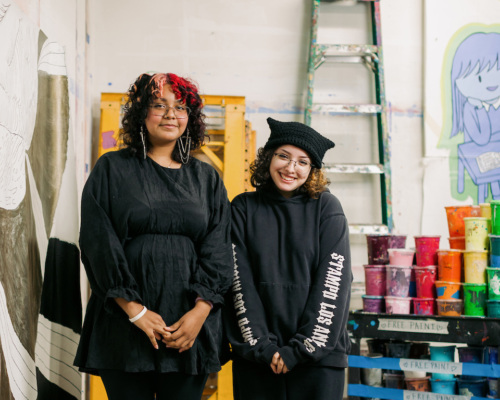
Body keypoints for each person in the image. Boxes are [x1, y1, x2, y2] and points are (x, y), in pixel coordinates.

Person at [74, 72, 233, 400]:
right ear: (140, 113)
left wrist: (199, 314)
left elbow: (218, 248)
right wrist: (135, 311)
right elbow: (97, 241)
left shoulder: (206, 179)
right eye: (159, 105)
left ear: (191, 117)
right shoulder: (112, 169)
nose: (171, 114)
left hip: (189, 327)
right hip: (124, 323)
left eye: (181, 107)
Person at [224, 117, 352, 400]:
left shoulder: (327, 208)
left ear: (312, 169)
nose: (290, 168)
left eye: (302, 161)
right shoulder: (243, 208)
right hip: (257, 360)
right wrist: (263, 347)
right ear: (269, 157)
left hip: (319, 360)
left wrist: (301, 349)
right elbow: (237, 282)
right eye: (283, 156)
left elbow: (333, 284)